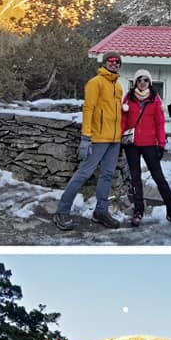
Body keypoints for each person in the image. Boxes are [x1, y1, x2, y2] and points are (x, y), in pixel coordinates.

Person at [53, 50, 124, 231]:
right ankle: (62, 211)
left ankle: (101, 212)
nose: (114, 63)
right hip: (98, 138)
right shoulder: (95, 83)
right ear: (104, 63)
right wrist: (86, 137)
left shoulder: (118, 86)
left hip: (114, 139)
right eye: (111, 60)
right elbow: (88, 109)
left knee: (107, 175)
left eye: (117, 61)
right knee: (83, 174)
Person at [121, 69, 171, 229]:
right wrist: (121, 138)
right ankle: (138, 211)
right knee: (135, 179)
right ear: (135, 82)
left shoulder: (155, 99)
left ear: (149, 83)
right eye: (139, 80)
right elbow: (123, 120)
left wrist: (161, 144)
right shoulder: (128, 99)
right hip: (132, 145)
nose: (143, 83)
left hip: (150, 144)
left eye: (146, 80)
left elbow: (160, 123)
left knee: (159, 179)